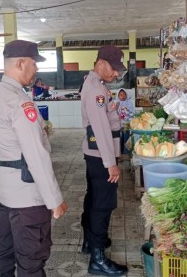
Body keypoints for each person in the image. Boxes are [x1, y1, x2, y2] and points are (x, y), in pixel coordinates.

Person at [0, 40, 68, 277]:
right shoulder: (20, 102)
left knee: (2, 253)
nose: (36, 69)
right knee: (31, 260)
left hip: (5, 192)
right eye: (34, 64)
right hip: (27, 197)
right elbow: (36, 155)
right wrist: (54, 199)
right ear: (20, 63)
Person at [80, 45, 128, 276]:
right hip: (101, 157)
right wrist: (111, 163)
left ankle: (90, 242)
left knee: (93, 199)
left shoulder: (97, 85)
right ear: (100, 63)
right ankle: (97, 260)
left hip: (95, 155)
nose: (116, 74)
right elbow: (100, 129)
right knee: (103, 205)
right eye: (114, 68)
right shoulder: (96, 90)